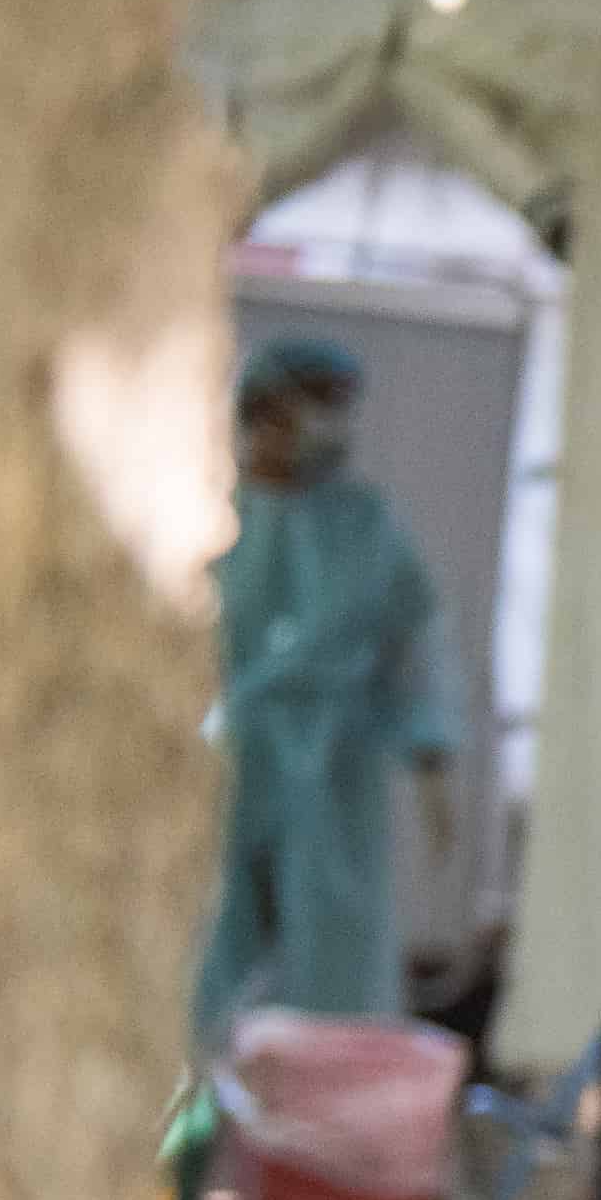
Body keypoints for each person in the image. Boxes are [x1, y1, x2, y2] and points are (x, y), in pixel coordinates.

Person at [191, 333, 457, 1051]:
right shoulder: (209, 509)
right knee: (207, 951)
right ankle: (190, 1125)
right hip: (226, 756)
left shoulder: (364, 522)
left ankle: (324, 1118)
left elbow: (417, 633)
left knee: (336, 959)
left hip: (339, 758)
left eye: (340, 407)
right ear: (266, 410)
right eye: (314, 404)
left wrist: (432, 757)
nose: (328, 425)